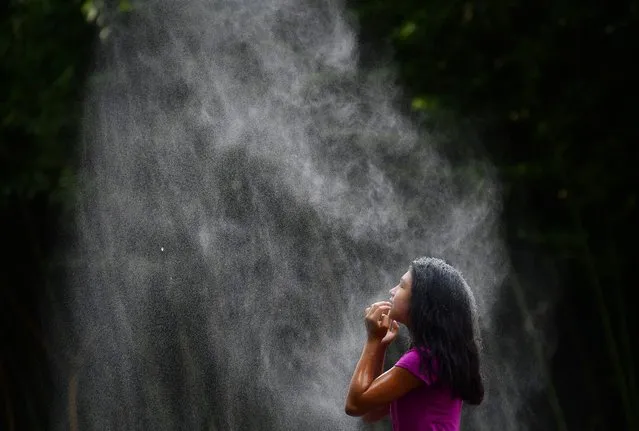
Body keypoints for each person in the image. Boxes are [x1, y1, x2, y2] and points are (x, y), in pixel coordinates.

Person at [345, 257, 484, 430]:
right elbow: (371, 411)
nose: (392, 290)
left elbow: (354, 405)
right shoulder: (434, 357)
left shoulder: (422, 360)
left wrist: (373, 340)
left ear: (421, 303)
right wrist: (380, 346)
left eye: (401, 286)